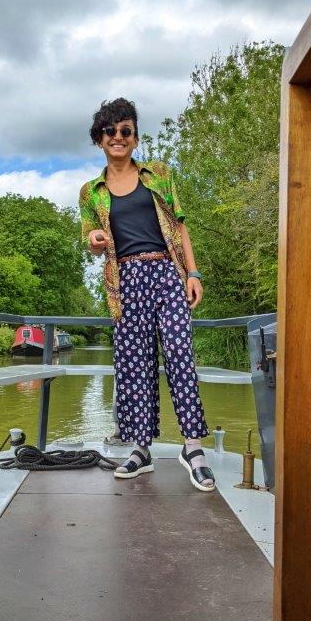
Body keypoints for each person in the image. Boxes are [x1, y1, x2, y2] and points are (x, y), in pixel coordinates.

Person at [79, 98, 215, 492]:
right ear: (99, 139)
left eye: (126, 131)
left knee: (179, 355)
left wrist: (193, 272)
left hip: (167, 273)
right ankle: (141, 449)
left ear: (135, 138)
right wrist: (94, 238)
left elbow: (180, 226)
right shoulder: (91, 191)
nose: (118, 137)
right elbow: (90, 238)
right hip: (125, 282)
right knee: (134, 365)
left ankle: (193, 448)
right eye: (111, 131)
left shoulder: (159, 175)